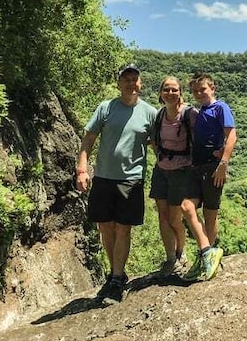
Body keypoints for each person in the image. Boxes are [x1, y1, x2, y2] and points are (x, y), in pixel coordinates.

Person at [76, 63, 157, 302]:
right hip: (103, 177)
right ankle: (116, 275)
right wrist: (82, 168)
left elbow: (158, 145)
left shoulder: (149, 113)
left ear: (140, 83)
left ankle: (116, 278)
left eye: (135, 79)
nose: (131, 83)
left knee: (123, 228)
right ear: (119, 83)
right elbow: (88, 139)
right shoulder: (106, 108)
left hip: (130, 179)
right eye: (126, 79)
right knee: (106, 228)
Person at [148, 76, 209, 278]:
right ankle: (171, 259)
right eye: (167, 89)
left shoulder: (189, 114)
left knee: (175, 218)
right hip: (161, 170)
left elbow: (204, 135)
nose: (171, 93)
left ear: (180, 92)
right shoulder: (159, 115)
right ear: (160, 93)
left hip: (182, 171)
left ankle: (181, 254)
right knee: (162, 216)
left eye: (175, 90)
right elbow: (155, 140)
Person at [183, 72, 236, 282]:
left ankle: (206, 257)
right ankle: (207, 252)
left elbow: (231, 134)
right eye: (195, 91)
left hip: (213, 168)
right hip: (196, 167)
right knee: (187, 207)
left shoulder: (220, 107)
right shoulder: (199, 111)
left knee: (210, 213)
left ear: (212, 88)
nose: (199, 93)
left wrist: (223, 163)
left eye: (202, 89)